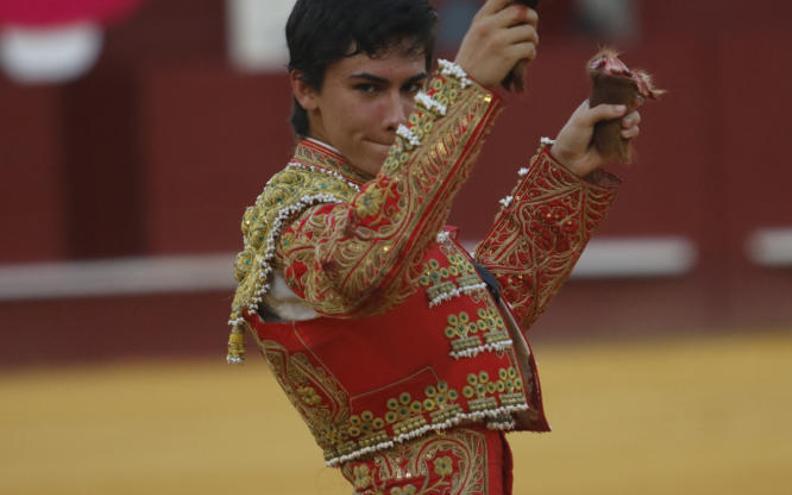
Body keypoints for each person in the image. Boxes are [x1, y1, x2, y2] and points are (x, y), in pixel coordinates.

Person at [226, 0, 642, 493]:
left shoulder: (369, 202)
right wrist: (464, 89)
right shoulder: (293, 216)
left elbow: (472, 323)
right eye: (368, 88)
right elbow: (367, 261)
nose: (398, 116)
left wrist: (567, 170)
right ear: (305, 87)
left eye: (415, 89)